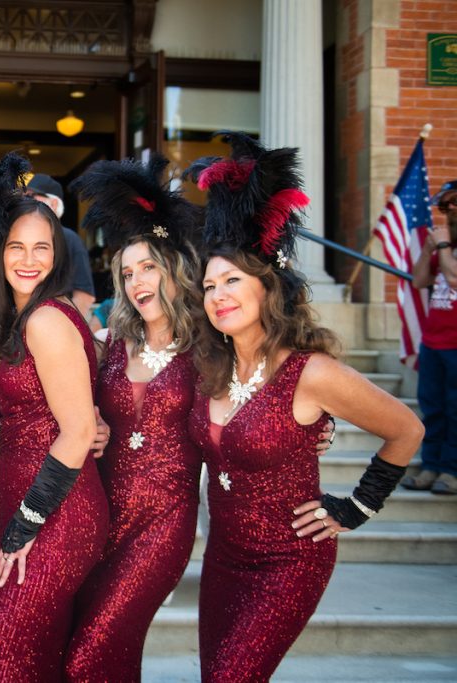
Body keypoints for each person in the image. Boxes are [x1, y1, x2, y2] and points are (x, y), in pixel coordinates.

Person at [184, 132, 423, 681]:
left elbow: (407, 428)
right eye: (209, 284)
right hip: (221, 558)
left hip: (287, 560)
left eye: (233, 281)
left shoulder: (310, 372)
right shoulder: (211, 369)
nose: (217, 294)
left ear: (267, 288)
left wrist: (357, 507)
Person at [63, 156, 205, 682]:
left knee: (88, 656)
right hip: (101, 516)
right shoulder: (112, 346)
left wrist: (317, 428)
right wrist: (94, 423)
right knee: (107, 650)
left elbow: (256, 399)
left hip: (163, 523)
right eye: (126, 272)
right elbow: (75, 406)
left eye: (148, 267)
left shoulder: (209, 349)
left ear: (175, 270)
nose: (136, 280)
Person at [0, 153, 108, 682]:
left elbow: (76, 433)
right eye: (16, 247)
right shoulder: (11, 321)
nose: (29, 260)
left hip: (57, 514)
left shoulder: (49, 318)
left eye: (41, 248)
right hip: (24, 501)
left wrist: (24, 526)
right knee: (34, 659)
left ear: (58, 255)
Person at [405, 179, 457, 495]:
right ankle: (431, 465)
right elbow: (419, 280)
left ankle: (451, 470)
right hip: (433, 342)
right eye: (444, 204)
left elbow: (453, 279)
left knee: (455, 409)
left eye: (453, 203)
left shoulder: (448, 247)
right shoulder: (444, 245)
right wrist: (428, 251)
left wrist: (443, 247)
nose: (447, 209)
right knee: (433, 407)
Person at [25, 172, 96, 320]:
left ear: (54, 204)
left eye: (32, 197)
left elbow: (85, 295)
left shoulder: (69, 239)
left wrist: (64, 326)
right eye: (24, 197)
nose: (25, 202)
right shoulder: (19, 236)